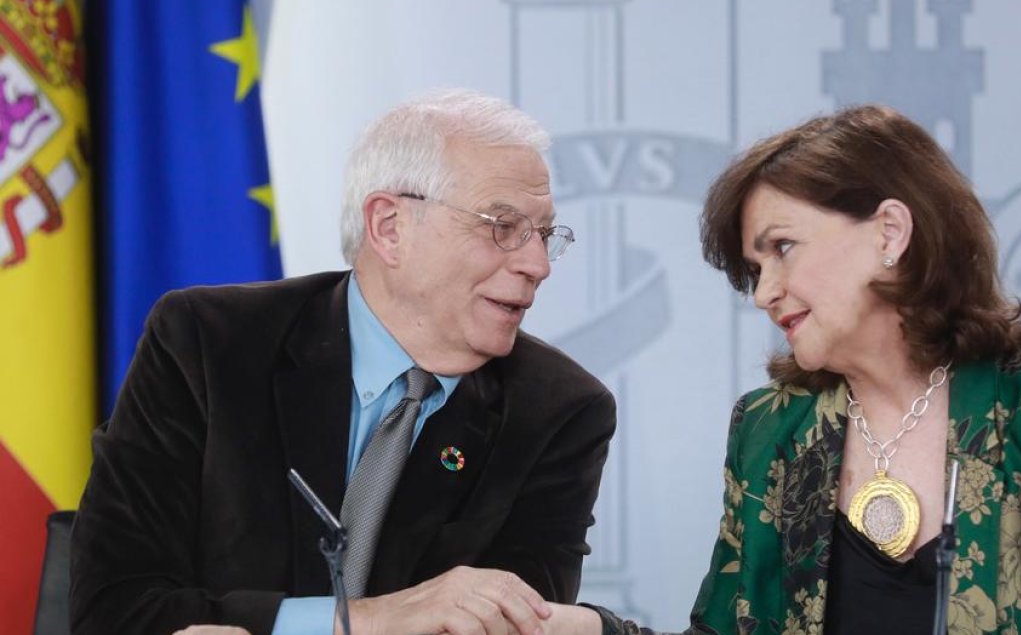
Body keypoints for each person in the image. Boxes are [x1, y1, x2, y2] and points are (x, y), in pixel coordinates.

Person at [548, 104, 1021, 634]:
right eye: (756, 267)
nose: (765, 290)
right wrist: (587, 630)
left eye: (782, 247)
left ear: (889, 232)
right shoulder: (770, 428)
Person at [70, 89, 617, 635]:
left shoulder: (559, 411)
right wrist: (367, 622)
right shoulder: (207, 344)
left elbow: (510, 626)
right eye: (502, 226)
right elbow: (114, 609)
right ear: (389, 227)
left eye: (544, 234)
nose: (538, 265)